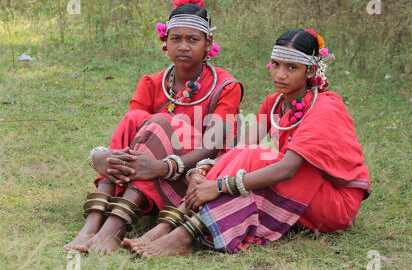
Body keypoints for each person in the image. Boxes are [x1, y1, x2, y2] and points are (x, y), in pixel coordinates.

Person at [126, 28, 370, 257]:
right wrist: (203, 171)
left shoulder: (325, 107)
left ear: (310, 71)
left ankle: (184, 236)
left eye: (292, 67)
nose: (280, 74)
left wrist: (218, 186)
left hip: (334, 203)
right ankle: (171, 223)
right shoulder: (274, 102)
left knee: (258, 156)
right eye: (275, 65)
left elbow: (288, 169)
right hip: (302, 189)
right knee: (248, 153)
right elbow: (238, 151)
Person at [63, 0, 243, 254]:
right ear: (165, 42)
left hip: (194, 175)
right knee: (135, 119)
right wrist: (100, 157)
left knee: (159, 121)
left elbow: (214, 146)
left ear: (208, 43)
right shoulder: (151, 82)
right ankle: (92, 223)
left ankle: (113, 228)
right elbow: (133, 137)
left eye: (193, 39)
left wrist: (163, 166)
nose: (183, 46)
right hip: (143, 170)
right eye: (176, 39)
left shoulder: (226, 86)